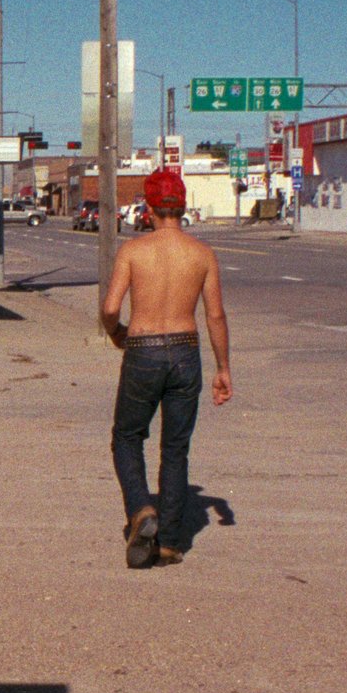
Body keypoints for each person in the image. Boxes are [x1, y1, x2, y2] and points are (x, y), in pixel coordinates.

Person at [99, 166, 232, 568]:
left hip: (142, 349)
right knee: (175, 448)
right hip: (186, 350)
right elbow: (215, 316)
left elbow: (109, 307)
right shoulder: (202, 254)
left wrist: (117, 333)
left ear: (150, 207)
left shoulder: (133, 252)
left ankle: (141, 509)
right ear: (183, 204)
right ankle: (171, 543)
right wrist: (223, 368)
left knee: (127, 436)